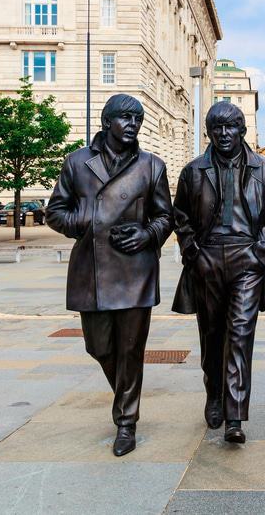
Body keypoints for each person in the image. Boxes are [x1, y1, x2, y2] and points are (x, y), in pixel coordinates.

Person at [45, 94, 174, 457]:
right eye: (125, 118)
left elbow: (166, 216)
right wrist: (85, 221)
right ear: (107, 123)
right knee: (99, 346)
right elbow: (54, 212)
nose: (133, 125)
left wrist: (147, 234)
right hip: (93, 270)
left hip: (136, 270)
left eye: (138, 119)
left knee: (131, 350)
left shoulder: (152, 166)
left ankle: (126, 422)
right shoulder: (77, 163)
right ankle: (124, 400)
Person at [172, 102, 265, 445]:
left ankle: (235, 415)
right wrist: (194, 253)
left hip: (247, 260)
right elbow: (181, 217)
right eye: (216, 128)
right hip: (208, 259)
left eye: (230, 127)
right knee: (212, 336)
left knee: (239, 335)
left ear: (242, 131)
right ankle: (215, 395)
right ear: (208, 132)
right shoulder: (193, 171)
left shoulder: (263, 170)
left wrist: (260, 251)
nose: (223, 134)